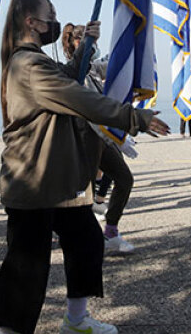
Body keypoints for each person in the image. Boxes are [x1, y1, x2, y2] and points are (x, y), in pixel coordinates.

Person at [0, 0, 169, 334]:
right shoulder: (28, 65)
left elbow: (69, 77)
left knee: (87, 241)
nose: (56, 23)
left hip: (55, 181)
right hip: (33, 180)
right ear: (32, 22)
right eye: (51, 17)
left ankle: (75, 321)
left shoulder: (36, 61)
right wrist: (135, 117)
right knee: (26, 265)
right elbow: (80, 97)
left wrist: (87, 44)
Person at [60, 22, 138, 255]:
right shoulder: (73, 75)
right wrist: (118, 137)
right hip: (86, 138)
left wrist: (132, 42)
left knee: (124, 179)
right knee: (84, 193)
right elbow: (92, 111)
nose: (94, 47)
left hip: (101, 138)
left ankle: (110, 231)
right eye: (89, 42)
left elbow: (113, 67)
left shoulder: (92, 68)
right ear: (76, 43)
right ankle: (78, 238)